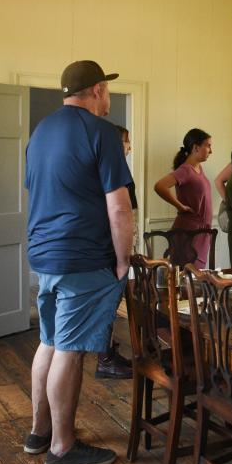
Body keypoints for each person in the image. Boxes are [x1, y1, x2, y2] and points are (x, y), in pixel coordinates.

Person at [25, 60, 133, 464]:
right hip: (83, 257)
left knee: (50, 342)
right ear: (98, 90)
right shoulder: (102, 133)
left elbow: (37, 193)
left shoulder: (41, 132)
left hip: (44, 254)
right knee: (70, 350)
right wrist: (123, 261)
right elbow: (119, 208)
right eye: (106, 91)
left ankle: (39, 433)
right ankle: (63, 447)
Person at [94, 125, 136, 380]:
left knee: (113, 303)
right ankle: (105, 358)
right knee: (108, 305)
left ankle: (110, 352)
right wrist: (123, 255)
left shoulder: (119, 170)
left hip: (122, 241)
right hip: (112, 245)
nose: (128, 146)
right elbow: (118, 212)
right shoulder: (108, 170)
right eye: (125, 141)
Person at [153, 129, 214, 267]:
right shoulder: (186, 170)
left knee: (194, 278)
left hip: (200, 232)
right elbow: (160, 186)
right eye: (208, 145)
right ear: (196, 147)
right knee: (186, 278)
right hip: (189, 233)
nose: (211, 151)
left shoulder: (199, 169)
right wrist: (179, 205)